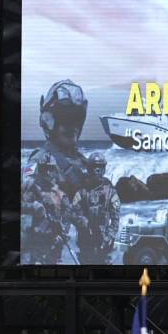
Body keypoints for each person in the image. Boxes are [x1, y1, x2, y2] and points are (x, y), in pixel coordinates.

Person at [22, 79, 120, 264]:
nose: (72, 126)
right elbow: (23, 200)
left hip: (85, 253)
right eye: (65, 120)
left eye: (76, 119)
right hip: (50, 255)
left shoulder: (84, 163)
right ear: (49, 122)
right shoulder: (39, 160)